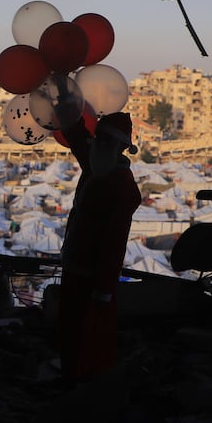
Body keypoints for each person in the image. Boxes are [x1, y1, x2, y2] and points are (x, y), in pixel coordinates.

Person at [55, 110, 142, 381]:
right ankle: (70, 380)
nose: (99, 144)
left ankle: (84, 385)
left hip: (93, 277)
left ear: (121, 147)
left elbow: (114, 242)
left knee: (88, 336)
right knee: (69, 331)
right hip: (75, 267)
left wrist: (103, 289)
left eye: (107, 140)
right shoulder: (97, 165)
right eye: (99, 138)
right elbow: (78, 138)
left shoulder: (122, 186)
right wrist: (64, 103)